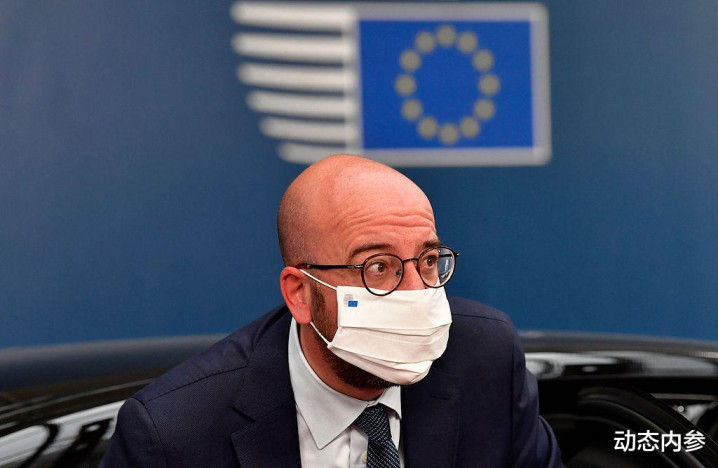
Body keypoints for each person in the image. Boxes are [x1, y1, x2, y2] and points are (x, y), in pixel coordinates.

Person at [102, 154, 563, 467]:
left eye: (427, 260)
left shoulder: (485, 359)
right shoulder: (172, 435)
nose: (415, 293)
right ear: (300, 293)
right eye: (378, 267)